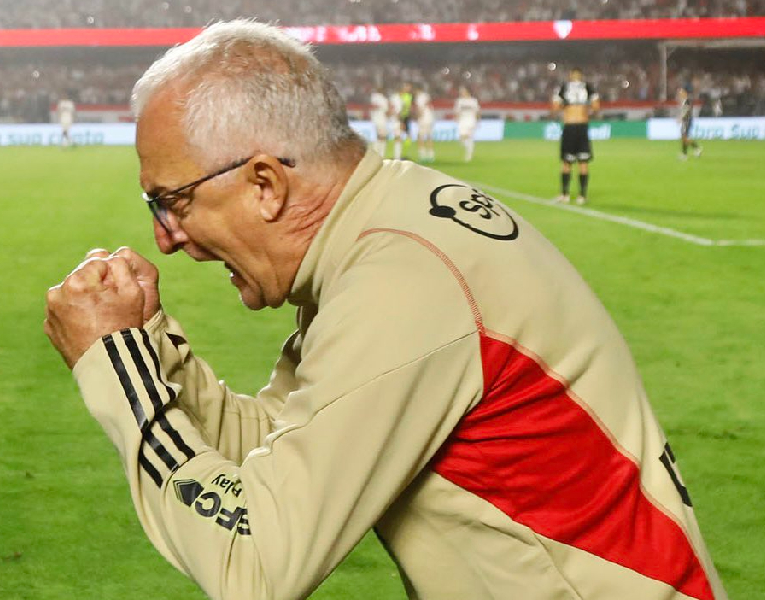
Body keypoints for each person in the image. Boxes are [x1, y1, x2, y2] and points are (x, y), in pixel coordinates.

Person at [44, 21, 727, 600]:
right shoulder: (388, 229)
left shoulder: (403, 280)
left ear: (264, 185)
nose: (166, 236)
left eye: (174, 200)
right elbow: (273, 444)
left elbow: (255, 563)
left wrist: (115, 369)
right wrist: (149, 344)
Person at [552, 67, 599, 205]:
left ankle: (564, 194)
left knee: (567, 162)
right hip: (582, 125)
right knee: (583, 162)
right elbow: (596, 107)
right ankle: (582, 196)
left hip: (570, 126)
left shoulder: (564, 88)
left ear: (571, 75)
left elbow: (555, 107)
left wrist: (566, 107)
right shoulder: (588, 88)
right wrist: (585, 110)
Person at [454, 85, 481, 162]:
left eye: (463, 91)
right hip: (462, 121)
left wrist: (478, 121)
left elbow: (477, 111)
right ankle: (470, 148)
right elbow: (457, 111)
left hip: (471, 120)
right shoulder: (459, 101)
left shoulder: (473, 101)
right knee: (462, 137)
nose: (461, 93)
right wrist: (456, 118)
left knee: (468, 135)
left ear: (467, 91)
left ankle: (468, 155)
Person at [677, 85, 703, 160]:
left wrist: (680, 118)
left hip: (687, 120)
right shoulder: (684, 101)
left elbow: (686, 110)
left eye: (681, 92)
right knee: (683, 137)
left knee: (684, 138)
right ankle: (685, 154)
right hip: (686, 120)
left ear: (685, 92)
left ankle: (697, 148)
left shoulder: (687, 100)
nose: (680, 93)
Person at [388, 82, 412, 160]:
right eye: (406, 88)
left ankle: (397, 156)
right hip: (394, 121)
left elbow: (402, 111)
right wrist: (395, 115)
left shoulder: (402, 99)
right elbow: (391, 108)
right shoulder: (395, 97)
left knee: (398, 138)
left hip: (398, 120)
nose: (407, 90)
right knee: (397, 138)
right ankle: (397, 157)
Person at [414, 85, 435, 162]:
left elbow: (420, 109)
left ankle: (422, 155)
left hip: (423, 118)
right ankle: (431, 155)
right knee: (429, 136)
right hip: (430, 117)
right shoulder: (426, 95)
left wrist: (417, 117)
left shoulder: (419, 97)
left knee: (420, 136)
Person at [368, 85, 389, 158]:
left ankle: (376, 153)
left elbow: (372, 106)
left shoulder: (373, 97)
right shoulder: (383, 99)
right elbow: (386, 111)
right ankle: (381, 154)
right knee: (383, 137)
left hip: (375, 119)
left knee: (378, 137)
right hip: (381, 119)